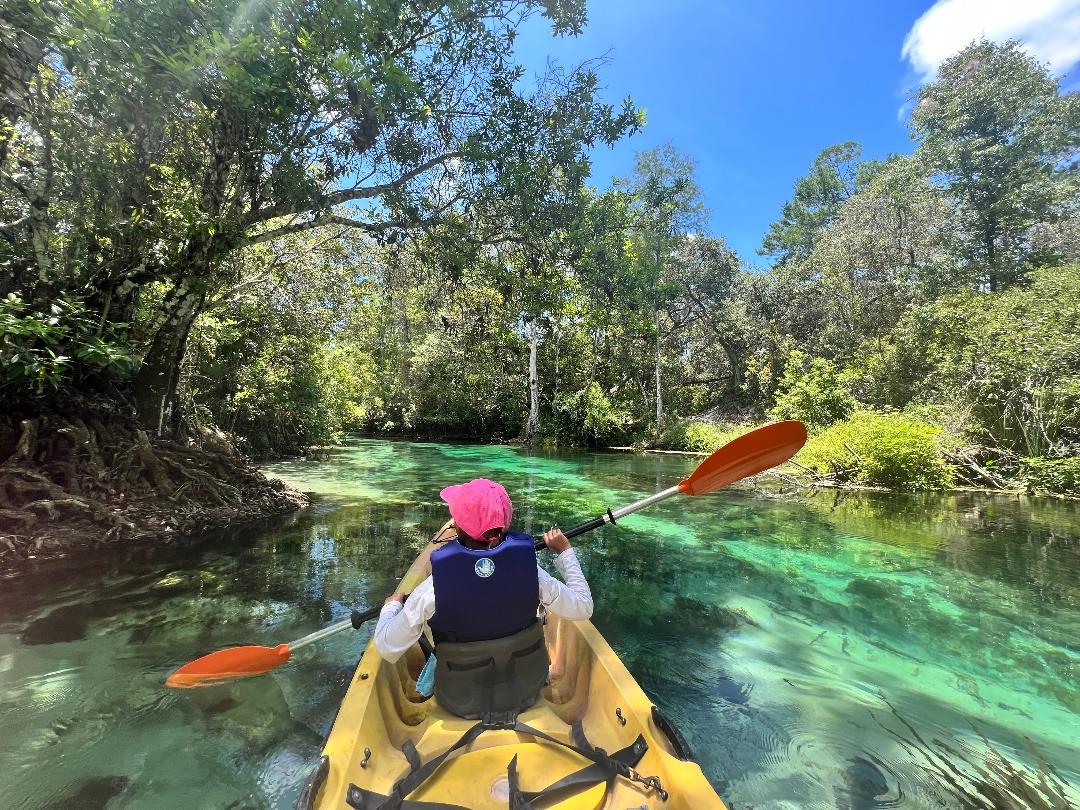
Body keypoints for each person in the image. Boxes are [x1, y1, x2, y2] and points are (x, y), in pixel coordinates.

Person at [373, 478, 593, 718]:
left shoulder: (432, 588)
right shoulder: (533, 574)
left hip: (460, 699)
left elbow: (386, 647)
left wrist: (391, 607)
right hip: (526, 689)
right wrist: (565, 553)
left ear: (456, 526)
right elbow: (583, 607)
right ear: (505, 524)